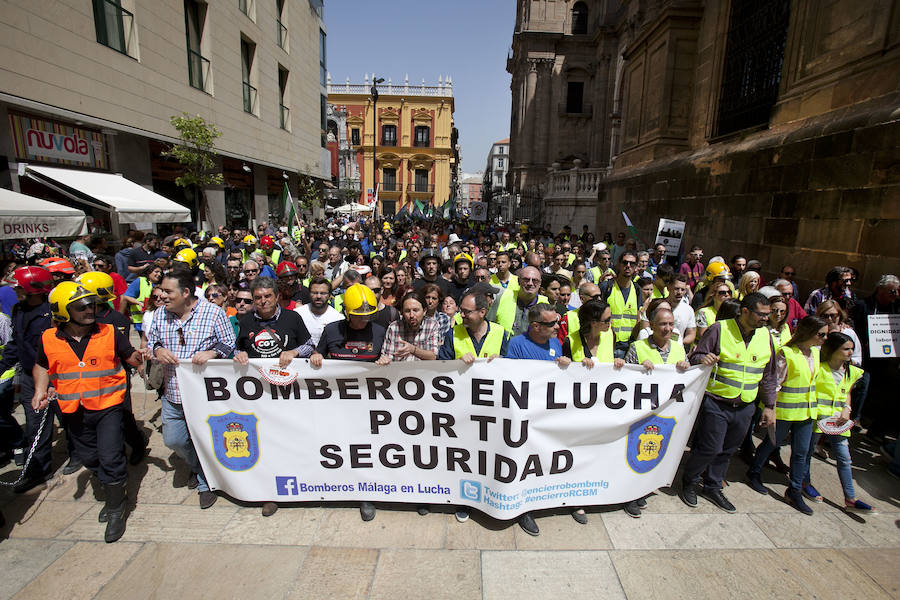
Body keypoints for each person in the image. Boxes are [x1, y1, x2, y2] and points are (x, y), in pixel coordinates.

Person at [34, 281, 142, 542]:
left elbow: (131, 356)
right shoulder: (48, 338)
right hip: (73, 409)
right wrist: (40, 390)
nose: (89, 310)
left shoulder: (109, 332)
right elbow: (41, 365)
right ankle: (109, 484)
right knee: (89, 457)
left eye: (91, 305)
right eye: (81, 307)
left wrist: (141, 359)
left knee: (111, 456)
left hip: (108, 407)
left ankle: (116, 508)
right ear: (63, 311)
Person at [145, 270, 236, 509]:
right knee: (174, 440)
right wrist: (157, 350)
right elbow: (151, 341)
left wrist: (212, 352)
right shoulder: (158, 316)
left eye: (167, 291)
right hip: (173, 393)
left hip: (205, 396)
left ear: (186, 293)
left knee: (208, 441)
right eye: (162, 291)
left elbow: (228, 344)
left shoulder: (213, 313)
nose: (162, 296)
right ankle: (198, 468)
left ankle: (207, 482)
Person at [681, 293, 777, 513]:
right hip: (717, 402)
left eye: (767, 314)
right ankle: (690, 481)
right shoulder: (719, 329)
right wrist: (703, 359)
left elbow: (769, 375)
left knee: (727, 450)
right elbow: (697, 356)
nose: (766, 319)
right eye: (761, 314)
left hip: (746, 406)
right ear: (745, 311)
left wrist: (769, 406)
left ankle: (713, 486)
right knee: (709, 447)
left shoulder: (766, 336)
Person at [233, 277, 312, 517]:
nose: (263, 301)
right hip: (261, 398)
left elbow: (309, 345)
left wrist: (294, 351)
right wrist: (239, 355)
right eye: (258, 297)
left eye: (267, 296)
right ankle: (270, 493)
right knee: (265, 444)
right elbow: (237, 348)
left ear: (277, 297)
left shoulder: (293, 318)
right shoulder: (245, 321)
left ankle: (307, 482)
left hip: (291, 393)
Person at [310, 283, 386, 522]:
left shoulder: (380, 331)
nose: (364, 321)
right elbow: (319, 353)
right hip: (337, 403)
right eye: (358, 317)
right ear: (346, 312)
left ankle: (365, 493)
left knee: (365, 450)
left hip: (369, 405)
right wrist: (316, 355)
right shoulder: (331, 330)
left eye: (368, 316)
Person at [745, 316, 827, 514]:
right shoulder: (787, 353)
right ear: (809, 332)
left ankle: (795, 490)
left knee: (802, 452)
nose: (825, 338)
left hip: (807, 412)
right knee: (771, 443)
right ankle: (754, 471)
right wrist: (769, 408)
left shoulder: (816, 353)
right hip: (785, 411)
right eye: (821, 334)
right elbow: (776, 383)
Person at [506, 303, 571, 536]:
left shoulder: (557, 342)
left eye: (557, 321)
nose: (557, 327)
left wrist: (565, 366)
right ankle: (525, 509)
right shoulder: (516, 344)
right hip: (526, 417)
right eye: (552, 323)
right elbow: (511, 381)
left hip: (550, 416)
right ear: (535, 325)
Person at [622, 307, 690, 517]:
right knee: (634, 453)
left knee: (654, 452)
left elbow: (685, 377)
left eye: (670, 324)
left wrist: (685, 366)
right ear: (651, 325)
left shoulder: (679, 348)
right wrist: (638, 367)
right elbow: (625, 379)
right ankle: (629, 495)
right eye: (662, 324)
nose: (667, 328)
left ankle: (645, 488)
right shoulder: (637, 347)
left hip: (666, 415)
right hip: (640, 414)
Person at [76, 271, 148, 465]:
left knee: (123, 417)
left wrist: (137, 367)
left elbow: (124, 353)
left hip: (115, 380)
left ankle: (137, 444)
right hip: (87, 381)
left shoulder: (117, 320)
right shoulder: (76, 321)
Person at [0, 267, 61, 492]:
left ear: (34, 290)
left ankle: (79, 456)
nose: (15, 291)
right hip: (29, 377)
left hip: (57, 377)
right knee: (36, 426)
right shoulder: (18, 310)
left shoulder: (53, 313)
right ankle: (38, 471)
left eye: (18, 287)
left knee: (73, 422)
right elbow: (16, 344)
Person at [801, 332, 873, 512]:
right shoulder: (819, 368)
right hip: (817, 418)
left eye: (851, 349)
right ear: (834, 350)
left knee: (844, 458)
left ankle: (850, 498)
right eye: (846, 349)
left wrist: (847, 410)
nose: (850, 353)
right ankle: (805, 483)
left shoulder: (852, 372)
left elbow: (847, 392)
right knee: (807, 452)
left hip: (839, 422)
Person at [376, 292, 440, 365]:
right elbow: (387, 356)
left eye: (415, 310)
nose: (411, 315)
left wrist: (413, 350)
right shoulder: (394, 328)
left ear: (424, 311)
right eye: (407, 311)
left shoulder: (432, 325)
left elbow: (433, 356)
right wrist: (385, 360)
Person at [486, 266, 548, 336]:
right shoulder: (502, 297)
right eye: (526, 279)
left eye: (535, 280)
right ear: (518, 281)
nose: (530, 283)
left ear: (540, 283)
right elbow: (489, 325)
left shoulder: (546, 304)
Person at [599, 252, 640, 358]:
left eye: (632, 264)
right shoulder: (606, 287)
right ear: (618, 264)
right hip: (607, 344)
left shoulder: (637, 289)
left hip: (628, 347)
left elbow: (638, 318)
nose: (628, 266)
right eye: (625, 262)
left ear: (636, 267)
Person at [120, 264, 164, 334]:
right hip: (141, 320)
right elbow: (126, 296)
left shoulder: (162, 284)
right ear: (149, 272)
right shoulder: (140, 281)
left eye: (160, 273)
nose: (159, 274)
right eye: (156, 272)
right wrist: (139, 303)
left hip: (158, 320)